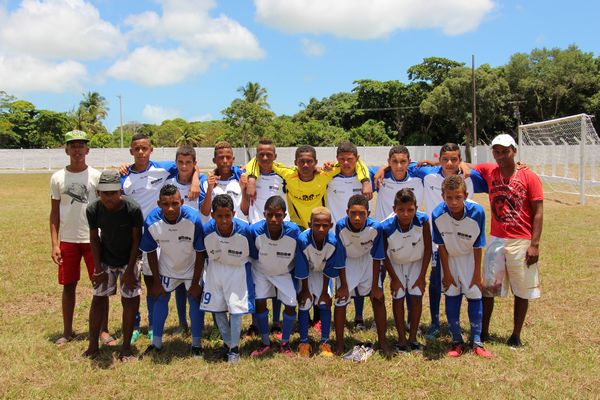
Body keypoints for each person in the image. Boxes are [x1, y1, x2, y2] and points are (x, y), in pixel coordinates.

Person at [120, 133, 200, 343]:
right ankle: (139, 324)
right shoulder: (125, 176)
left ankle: (163, 324)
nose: (140, 152)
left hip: (162, 232)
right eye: (136, 149)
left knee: (165, 279)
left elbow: (189, 165)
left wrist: (195, 181)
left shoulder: (162, 168)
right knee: (144, 282)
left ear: (151, 150)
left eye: (144, 148)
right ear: (131, 151)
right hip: (137, 235)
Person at [471, 134, 544, 347]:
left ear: (514, 150)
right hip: (497, 238)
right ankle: (483, 332)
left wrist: (535, 244)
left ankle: (515, 336)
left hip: (521, 240)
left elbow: (538, 211)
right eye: (497, 151)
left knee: (521, 290)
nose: (501, 155)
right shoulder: (489, 171)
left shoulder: (529, 177)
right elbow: (464, 165)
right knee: (489, 289)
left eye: (505, 151)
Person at [49, 130, 111, 345]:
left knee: (101, 286)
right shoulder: (57, 178)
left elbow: (106, 208)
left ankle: (103, 330)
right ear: (66, 149)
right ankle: (67, 331)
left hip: (93, 239)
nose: (77, 150)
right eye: (72, 145)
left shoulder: (96, 176)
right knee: (69, 285)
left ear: (87, 150)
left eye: (80, 145)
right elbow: (55, 213)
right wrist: (55, 243)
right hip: (68, 240)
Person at [139, 184, 206, 357]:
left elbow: (200, 253)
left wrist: (196, 282)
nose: (170, 208)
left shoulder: (193, 220)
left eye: (175, 204)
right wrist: (155, 281)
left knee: (195, 301)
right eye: (165, 204)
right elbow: (151, 251)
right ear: (158, 203)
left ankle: (197, 344)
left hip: (191, 270)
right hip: (167, 269)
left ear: (182, 202)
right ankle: (156, 344)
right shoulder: (152, 221)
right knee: (160, 299)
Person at [84, 170, 143, 360]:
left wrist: (130, 270)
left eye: (113, 193)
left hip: (129, 258)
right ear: (99, 192)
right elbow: (94, 239)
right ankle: (93, 346)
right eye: (105, 193)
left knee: (130, 300)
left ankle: (126, 347)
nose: (109, 198)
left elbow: (136, 240)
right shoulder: (93, 209)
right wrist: (98, 268)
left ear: (120, 191)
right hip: (106, 258)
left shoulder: (132, 209)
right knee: (98, 298)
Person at [432, 175, 492, 358]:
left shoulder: (477, 212)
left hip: (469, 259)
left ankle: (476, 341)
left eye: (458, 197)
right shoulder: (437, 214)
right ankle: (456, 340)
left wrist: (476, 274)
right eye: (449, 197)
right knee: (452, 295)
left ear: (465, 195)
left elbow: (478, 245)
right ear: (443, 196)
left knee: (474, 295)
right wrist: (447, 274)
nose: (453, 201)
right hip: (450, 259)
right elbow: (441, 247)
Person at [326, 142, 378, 330]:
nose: (346, 162)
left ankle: (358, 317)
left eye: (350, 159)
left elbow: (387, 168)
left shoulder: (366, 176)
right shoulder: (329, 177)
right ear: (337, 160)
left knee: (361, 277)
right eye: (342, 159)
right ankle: (337, 315)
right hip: (338, 235)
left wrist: (366, 181)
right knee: (341, 276)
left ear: (357, 159)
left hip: (361, 234)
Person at [240, 138, 287, 338]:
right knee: (256, 281)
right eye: (261, 154)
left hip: (278, 233)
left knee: (276, 277)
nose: (265, 157)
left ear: (275, 157)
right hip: (255, 234)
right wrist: (250, 180)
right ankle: (256, 323)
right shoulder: (248, 175)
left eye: (269, 154)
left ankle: (276, 322)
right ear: (256, 157)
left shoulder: (283, 176)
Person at [200, 194, 255, 363]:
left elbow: (253, 253)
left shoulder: (245, 230)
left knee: (236, 309)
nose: (224, 220)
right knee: (217, 308)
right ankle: (228, 343)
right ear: (212, 215)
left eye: (227, 216)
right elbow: (203, 252)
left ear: (233, 213)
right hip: (215, 269)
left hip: (238, 270)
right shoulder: (207, 230)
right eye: (219, 216)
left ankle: (235, 349)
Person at [333, 194, 388, 358]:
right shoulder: (340, 226)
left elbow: (378, 256)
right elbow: (340, 255)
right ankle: (340, 343)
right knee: (340, 300)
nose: (357, 218)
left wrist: (375, 286)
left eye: (362, 214)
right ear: (347, 212)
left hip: (368, 261)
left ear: (368, 214)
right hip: (348, 262)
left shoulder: (376, 227)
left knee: (378, 298)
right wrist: (343, 284)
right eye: (353, 213)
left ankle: (383, 341)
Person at [248, 196, 301, 357]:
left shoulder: (293, 231)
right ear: (264, 214)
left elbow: (297, 256)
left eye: (278, 215)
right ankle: (265, 342)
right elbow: (253, 255)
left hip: (284, 272)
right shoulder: (255, 231)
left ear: (284, 215)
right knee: (260, 303)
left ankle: (285, 343)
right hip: (262, 271)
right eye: (269, 215)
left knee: (291, 305)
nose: (273, 219)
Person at [381, 189, 432, 352]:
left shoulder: (423, 220)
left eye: (410, 210)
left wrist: (422, 276)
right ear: (394, 208)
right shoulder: (386, 226)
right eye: (401, 210)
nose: (405, 214)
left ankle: (413, 338)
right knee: (398, 297)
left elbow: (428, 248)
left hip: (416, 263)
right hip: (396, 264)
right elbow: (383, 254)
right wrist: (394, 278)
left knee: (417, 297)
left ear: (416, 208)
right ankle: (401, 339)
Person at [165, 145, 204, 335]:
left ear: (195, 164)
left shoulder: (202, 180)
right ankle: (182, 322)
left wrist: (196, 178)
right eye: (180, 162)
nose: (184, 166)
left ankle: (199, 322)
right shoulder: (170, 181)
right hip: (175, 238)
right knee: (179, 283)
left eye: (188, 162)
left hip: (195, 239)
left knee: (197, 283)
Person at [295, 207, 340, 357]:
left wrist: (323, 293)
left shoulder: (333, 242)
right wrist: (306, 291)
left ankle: (325, 342)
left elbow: (329, 268)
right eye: (316, 225)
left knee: (324, 303)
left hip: (322, 274)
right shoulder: (302, 240)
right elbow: (302, 268)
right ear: (309, 224)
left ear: (331, 226)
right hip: (307, 275)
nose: (321, 229)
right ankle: (303, 342)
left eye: (325, 225)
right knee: (304, 303)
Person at [199, 141, 249, 222]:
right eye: (221, 157)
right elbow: (205, 212)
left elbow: (246, 211)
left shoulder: (241, 179)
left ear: (233, 159)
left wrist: (243, 189)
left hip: (238, 231)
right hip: (215, 231)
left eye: (228, 157)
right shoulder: (206, 182)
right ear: (214, 160)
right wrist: (210, 189)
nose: (225, 161)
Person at [373, 145, 424, 222]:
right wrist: (365, 182)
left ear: (409, 162)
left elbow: (442, 166)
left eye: (403, 161)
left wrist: (433, 162)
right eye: (395, 161)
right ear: (389, 161)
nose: (399, 166)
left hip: (410, 230)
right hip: (384, 230)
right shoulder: (380, 176)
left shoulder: (419, 177)